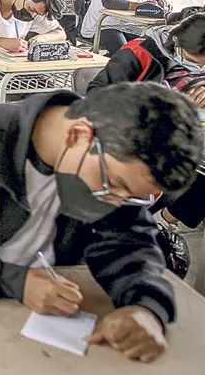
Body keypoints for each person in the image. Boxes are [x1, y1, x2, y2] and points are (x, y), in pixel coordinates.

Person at [0, 83, 202, 370]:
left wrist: (146, 308)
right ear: (78, 135)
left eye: (131, 196)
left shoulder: (111, 165)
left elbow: (131, 245)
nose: (115, 201)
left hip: (45, 321)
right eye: (113, 185)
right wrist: (12, 281)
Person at [88, 14, 205, 230]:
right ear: (177, 43)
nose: (198, 70)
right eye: (194, 63)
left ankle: (165, 220)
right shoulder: (138, 54)